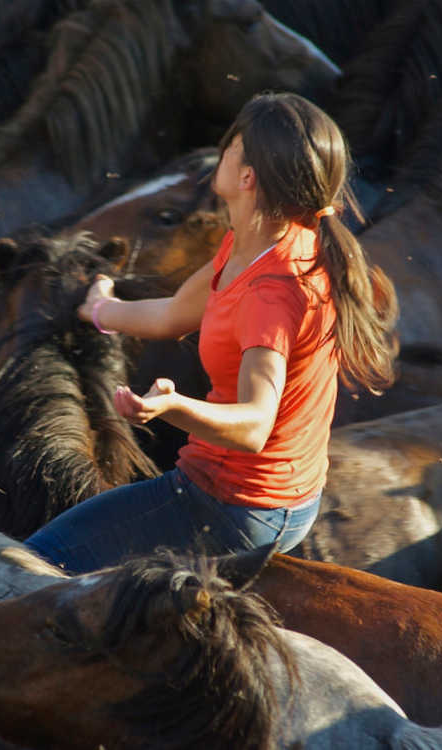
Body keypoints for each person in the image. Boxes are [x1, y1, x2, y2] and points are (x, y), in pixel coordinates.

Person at [24, 92, 399, 573]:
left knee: (38, 560)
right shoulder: (267, 239)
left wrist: (172, 408)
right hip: (284, 494)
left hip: (234, 504)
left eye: (230, 146)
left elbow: (255, 426)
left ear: (246, 177)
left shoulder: (272, 291)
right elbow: (174, 314)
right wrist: (101, 310)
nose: (217, 154)